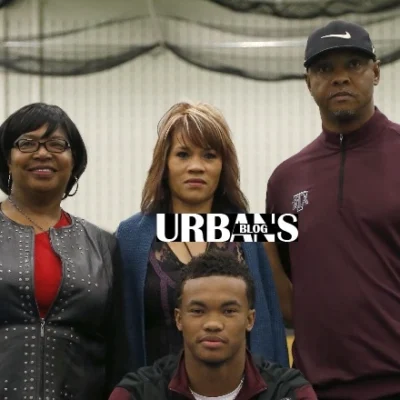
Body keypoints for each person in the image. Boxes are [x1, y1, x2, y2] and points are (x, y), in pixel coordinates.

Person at [265, 19, 400, 399]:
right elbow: (291, 301)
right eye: (325, 68)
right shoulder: (284, 180)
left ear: (375, 72)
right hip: (315, 388)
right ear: (308, 82)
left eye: (353, 65)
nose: (340, 77)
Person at [116, 101, 288, 371]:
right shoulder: (130, 237)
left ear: (223, 166)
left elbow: (273, 326)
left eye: (209, 155)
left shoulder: (251, 232)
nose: (196, 166)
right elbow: (119, 334)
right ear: (165, 164)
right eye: (183, 154)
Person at [0, 103, 128, 400]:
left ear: (74, 162)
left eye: (57, 144)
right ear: (7, 159)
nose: (42, 153)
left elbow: (119, 343)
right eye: (27, 143)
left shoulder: (103, 244)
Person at [108, 250, 317, 400]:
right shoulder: (137, 393)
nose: (213, 324)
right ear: (179, 319)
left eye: (229, 311)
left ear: (250, 319)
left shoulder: (289, 392)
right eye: (198, 311)